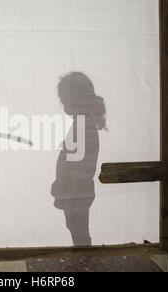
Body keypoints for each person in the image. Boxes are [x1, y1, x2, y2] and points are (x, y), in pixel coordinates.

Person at [51, 72, 106, 246]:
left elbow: (76, 165)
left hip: (75, 194)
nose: (63, 105)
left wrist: (63, 188)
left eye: (65, 99)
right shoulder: (83, 123)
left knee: (79, 234)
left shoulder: (82, 125)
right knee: (78, 231)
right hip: (76, 193)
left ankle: (85, 263)